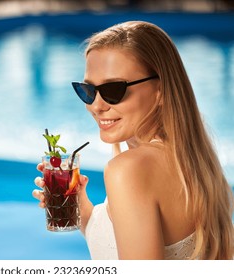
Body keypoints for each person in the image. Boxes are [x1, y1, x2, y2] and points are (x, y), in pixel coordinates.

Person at [33, 21, 234, 260]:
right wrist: (80, 208)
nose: (96, 106)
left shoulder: (129, 169)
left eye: (113, 90)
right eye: (87, 90)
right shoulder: (194, 161)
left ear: (160, 91)